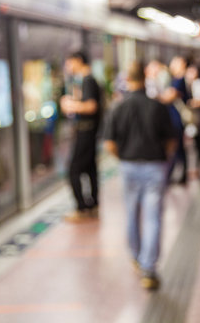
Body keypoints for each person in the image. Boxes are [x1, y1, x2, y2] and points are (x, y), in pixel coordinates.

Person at [103, 61, 176, 290]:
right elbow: (172, 140)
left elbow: (109, 144)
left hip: (128, 166)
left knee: (131, 212)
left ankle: (135, 256)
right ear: (145, 78)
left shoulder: (118, 107)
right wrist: (164, 158)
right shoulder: (158, 106)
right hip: (154, 166)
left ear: (127, 79)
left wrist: (123, 157)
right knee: (153, 216)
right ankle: (149, 268)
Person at [60, 51, 102, 222]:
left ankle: (82, 207)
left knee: (73, 170)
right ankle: (93, 203)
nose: (68, 67)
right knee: (90, 168)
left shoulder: (88, 80)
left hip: (86, 131)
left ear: (78, 61)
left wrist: (71, 105)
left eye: (69, 62)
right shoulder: (85, 81)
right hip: (88, 131)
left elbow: (91, 106)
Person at [160, 56, 190, 184]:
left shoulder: (180, 80)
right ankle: (179, 173)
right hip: (173, 117)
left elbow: (168, 96)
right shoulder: (175, 79)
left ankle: (179, 174)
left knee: (178, 147)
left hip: (177, 118)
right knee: (178, 147)